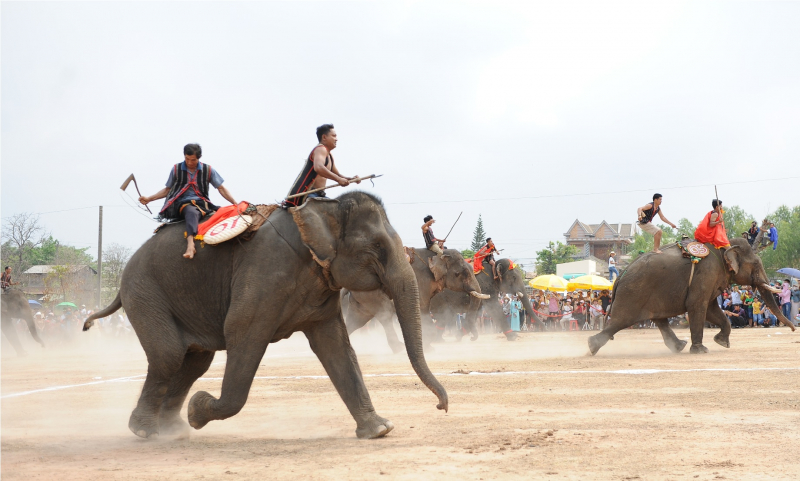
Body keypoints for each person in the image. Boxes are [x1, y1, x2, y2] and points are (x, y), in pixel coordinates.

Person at [140, 144, 238, 259]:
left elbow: (221, 188)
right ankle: (190, 245)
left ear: (199, 158)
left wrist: (235, 203)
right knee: (191, 212)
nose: (190, 162)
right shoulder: (176, 169)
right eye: (187, 159)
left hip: (202, 203)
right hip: (181, 202)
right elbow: (167, 189)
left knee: (223, 211)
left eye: (193, 160)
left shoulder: (208, 170)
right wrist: (149, 199)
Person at [285, 124, 360, 207]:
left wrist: (351, 179)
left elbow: (337, 175)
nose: (336, 139)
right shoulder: (320, 149)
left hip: (320, 195)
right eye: (333, 136)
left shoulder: (329, 155)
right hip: (307, 194)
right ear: (324, 137)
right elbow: (319, 168)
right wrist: (339, 180)